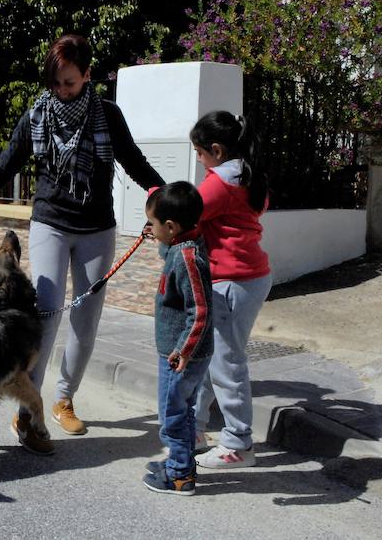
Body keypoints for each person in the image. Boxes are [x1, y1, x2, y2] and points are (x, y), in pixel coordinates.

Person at [0, 33, 164, 454]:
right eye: (57, 83)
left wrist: (164, 198)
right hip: (50, 224)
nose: (62, 90)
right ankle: (28, 411)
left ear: (87, 75)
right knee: (44, 318)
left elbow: (134, 162)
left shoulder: (107, 115)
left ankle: (63, 399)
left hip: (97, 228)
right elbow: (5, 166)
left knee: (86, 320)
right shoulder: (37, 115)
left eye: (70, 83)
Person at [189, 111, 272, 469]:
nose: (198, 159)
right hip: (247, 278)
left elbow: (188, 212)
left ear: (217, 150)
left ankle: (238, 444)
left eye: (200, 152)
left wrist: (158, 206)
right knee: (212, 359)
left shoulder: (220, 183)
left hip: (232, 282)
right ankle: (194, 429)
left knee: (226, 363)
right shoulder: (249, 176)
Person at [141, 181, 213, 495]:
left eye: (153, 223)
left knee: (172, 415)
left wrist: (184, 350)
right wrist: (156, 236)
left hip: (181, 356)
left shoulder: (187, 259)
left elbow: (200, 310)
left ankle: (179, 476)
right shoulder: (182, 245)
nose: (151, 228)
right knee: (182, 410)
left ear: (171, 227)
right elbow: (168, 248)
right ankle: (180, 463)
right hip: (181, 353)